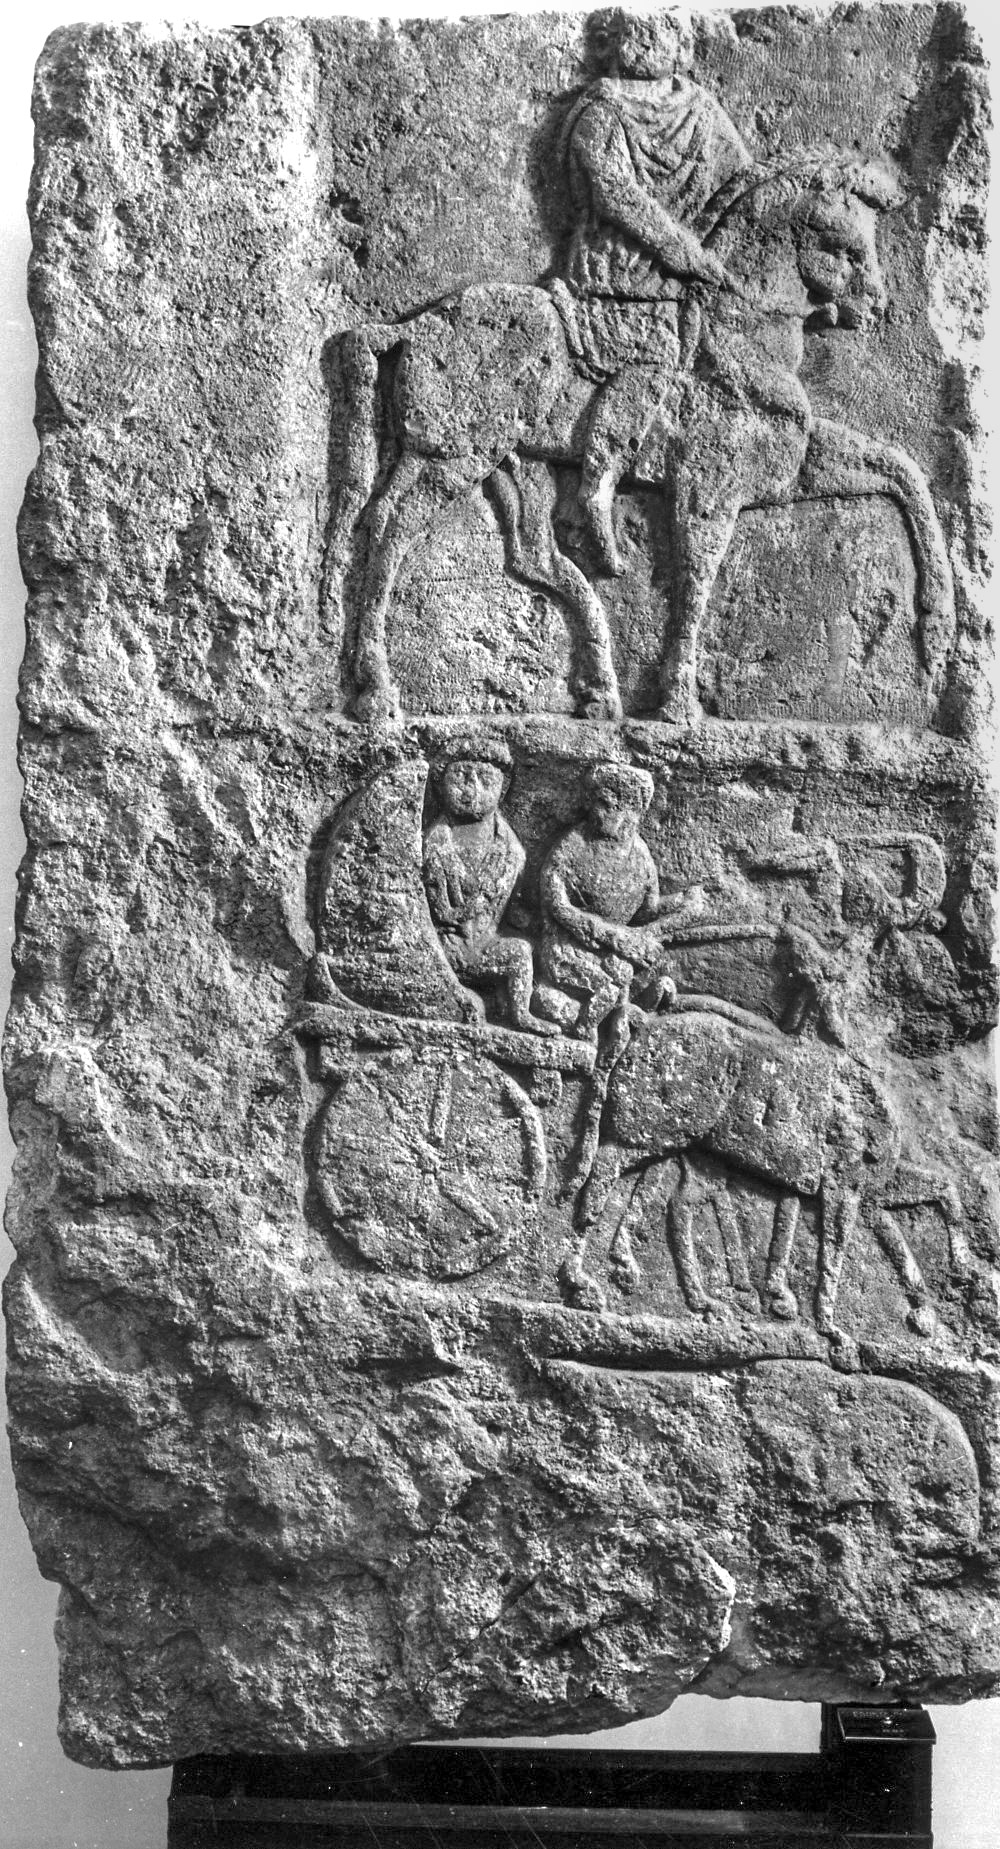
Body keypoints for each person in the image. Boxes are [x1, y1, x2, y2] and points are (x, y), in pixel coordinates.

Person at [560, 8, 750, 572]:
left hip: (689, 286)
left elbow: (743, 188)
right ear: (610, 43)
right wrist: (680, 252)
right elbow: (615, 194)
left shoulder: (701, 111)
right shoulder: (600, 111)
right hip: (616, 280)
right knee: (653, 362)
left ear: (682, 44)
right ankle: (598, 486)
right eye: (632, 31)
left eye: (661, 29)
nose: (646, 40)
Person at [538, 758, 703, 1039]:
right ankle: (586, 1030)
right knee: (612, 981)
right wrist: (609, 934)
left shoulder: (639, 855)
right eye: (600, 803)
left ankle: (620, 1018)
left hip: (613, 951)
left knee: (623, 971)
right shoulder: (574, 845)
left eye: (609, 805)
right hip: (569, 947)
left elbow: (647, 909)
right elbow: (556, 904)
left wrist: (681, 902)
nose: (599, 812)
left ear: (633, 812)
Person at [423, 739, 557, 1035]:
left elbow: (514, 910)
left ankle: (519, 1013)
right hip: (442, 947)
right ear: (440, 785)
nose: (472, 790)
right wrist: (456, 915)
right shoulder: (434, 843)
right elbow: (432, 908)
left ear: (503, 788)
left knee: (521, 951)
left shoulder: (510, 850)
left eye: (486, 780)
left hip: (484, 945)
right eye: (461, 778)